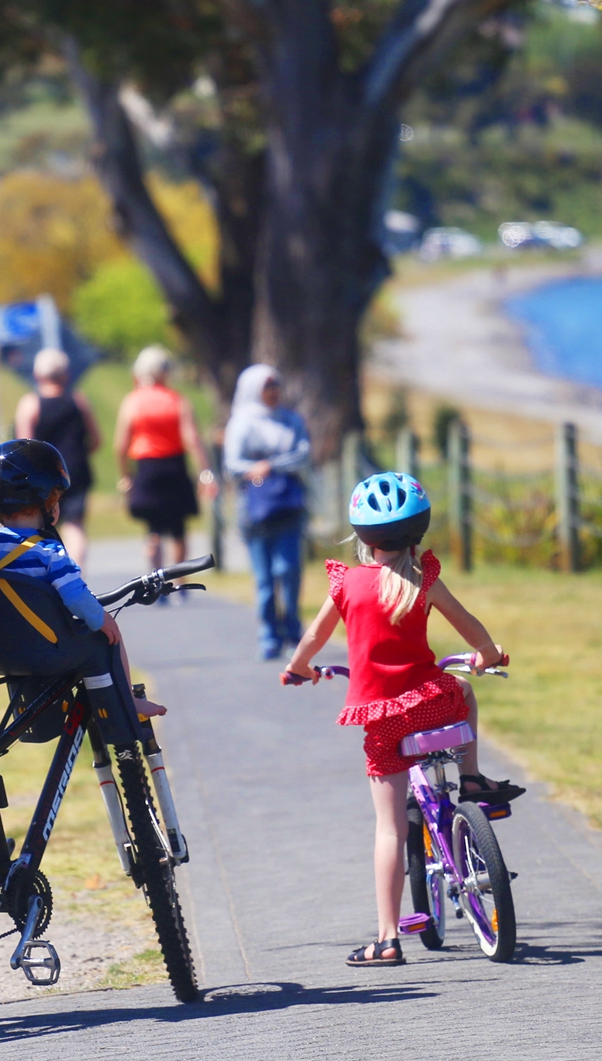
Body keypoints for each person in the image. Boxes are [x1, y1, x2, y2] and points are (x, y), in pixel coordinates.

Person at [283, 472, 523, 970]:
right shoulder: (422, 579)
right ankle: (471, 776)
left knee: (390, 829)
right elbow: (469, 624)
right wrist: (486, 652)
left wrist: (298, 668)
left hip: (383, 722)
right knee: (463, 688)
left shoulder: (347, 583)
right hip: (433, 706)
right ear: (418, 531)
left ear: (361, 535)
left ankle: (388, 938)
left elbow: (312, 638)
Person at [0, 438, 166, 717]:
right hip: (48, 653)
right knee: (106, 640)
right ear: (46, 502)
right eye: (56, 498)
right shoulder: (49, 550)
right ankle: (126, 704)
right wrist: (102, 619)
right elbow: (75, 596)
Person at [224, 364, 312, 660]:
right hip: (255, 509)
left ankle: (292, 629)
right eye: (267, 387)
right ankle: (269, 634)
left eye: (276, 386)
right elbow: (233, 464)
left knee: (288, 570)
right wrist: (254, 468)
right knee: (264, 579)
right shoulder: (241, 423)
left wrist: (271, 465)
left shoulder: (291, 420)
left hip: (288, 504)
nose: (273, 393)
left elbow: (303, 455)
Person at [114, 346, 205, 572]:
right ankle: (179, 579)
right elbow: (191, 438)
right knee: (178, 528)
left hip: (147, 468)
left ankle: (156, 576)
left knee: (153, 529)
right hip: (174, 465)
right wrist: (204, 470)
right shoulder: (176, 400)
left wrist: (125, 474)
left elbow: (121, 444)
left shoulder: (133, 401)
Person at [13, 348, 101, 565]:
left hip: (44, 476)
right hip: (75, 471)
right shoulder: (78, 401)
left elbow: (25, 447)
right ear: (66, 374)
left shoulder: (30, 405)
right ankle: (76, 574)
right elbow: (96, 439)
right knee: (75, 526)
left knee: (41, 527)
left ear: (37, 375)